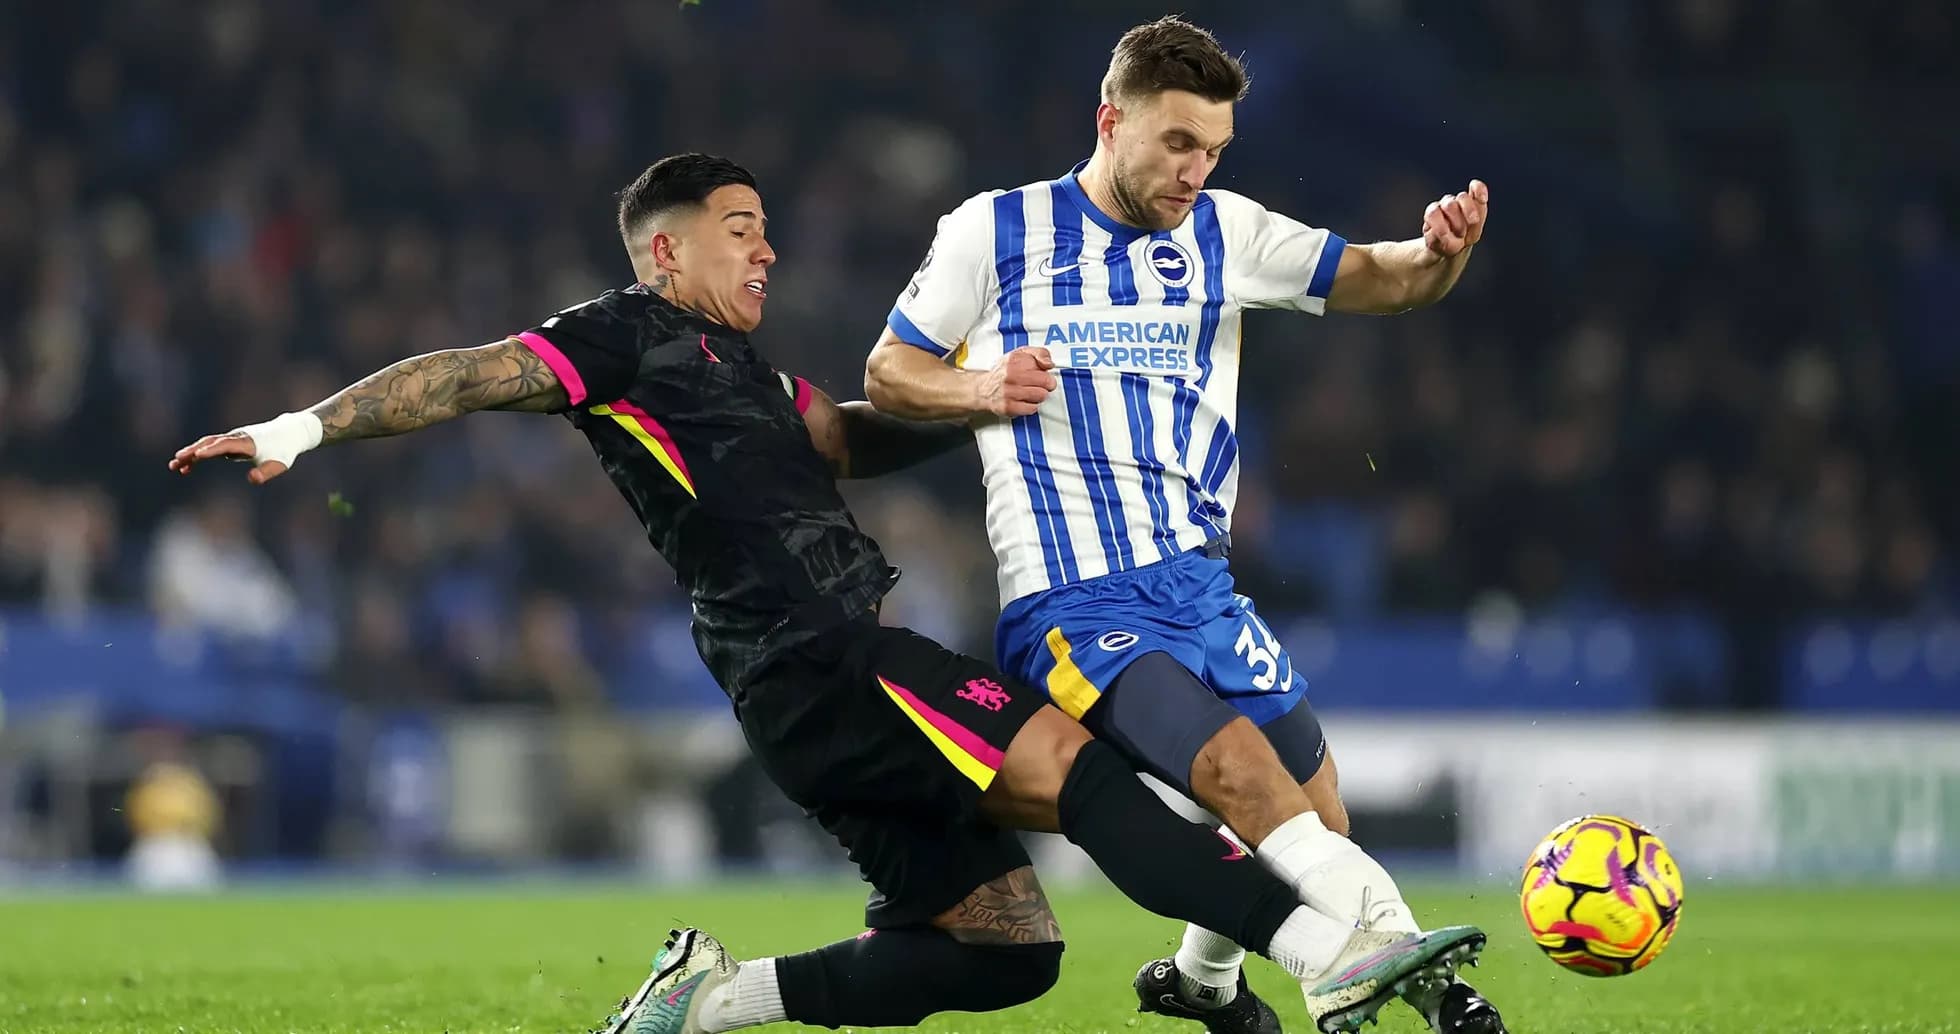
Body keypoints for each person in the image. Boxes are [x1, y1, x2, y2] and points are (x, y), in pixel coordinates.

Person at [169, 153, 1478, 1034]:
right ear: (667, 253)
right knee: (1077, 769)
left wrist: (989, 395)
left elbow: (847, 433)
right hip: (826, 658)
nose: (770, 252)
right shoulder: (620, 337)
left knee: (1006, 943)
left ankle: (714, 997)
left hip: (801, 691)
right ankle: (1326, 956)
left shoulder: (750, 378)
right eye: (743, 234)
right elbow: (463, 374)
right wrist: (302, 430)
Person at [863, 16, 1505, 1034]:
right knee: (1235, 772)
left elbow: (1389, 278)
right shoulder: (996, 231)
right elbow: (889, 371)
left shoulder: (1226, 232)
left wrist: (1440, 253)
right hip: (1071, 600)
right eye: (1176, 143)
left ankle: (1200, 982)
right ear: (1109, 120)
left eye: (1212, 149)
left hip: (1201, 588)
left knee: (1313, 809)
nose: (1194, 170)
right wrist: (980, 384)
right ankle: (1426, 986)